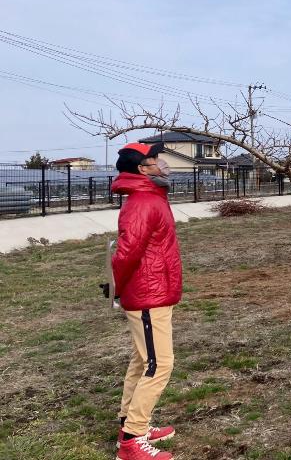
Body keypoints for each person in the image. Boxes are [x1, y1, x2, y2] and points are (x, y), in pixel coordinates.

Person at [111, 142, 181, 460]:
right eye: (155, 160)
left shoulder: (152, 197)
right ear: (142, 169)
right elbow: (126, 254)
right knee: (160, 364)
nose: (162, 164)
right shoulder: (142, 202)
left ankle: (131, 424)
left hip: (154, 290)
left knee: (142, 361)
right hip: (147, 293)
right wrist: (118, 289)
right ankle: (132, 441)